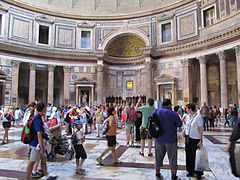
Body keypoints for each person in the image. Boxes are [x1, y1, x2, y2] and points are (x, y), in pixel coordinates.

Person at [25, 102, 57, 180]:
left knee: (43, 161)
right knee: (31, 162)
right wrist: (42, 147)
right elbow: (39, 134)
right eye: (45, 108)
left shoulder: (39, 117)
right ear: (43, 109)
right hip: (36, 145)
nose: (46, 109)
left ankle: (47, 176)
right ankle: (27, 178)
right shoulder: (37, 119)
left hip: (40, 144)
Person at [154, 99, 182, 180]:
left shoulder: (156, 112)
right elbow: (179, 124)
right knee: (172, 158)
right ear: (169, 105)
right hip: (171, 139)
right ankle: (173, 175)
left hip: (159, 138)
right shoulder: (173, 113)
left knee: (158, 157)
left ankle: (157, 173)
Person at [182, 103, 204, 179]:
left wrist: (201, 140)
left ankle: (198, 172)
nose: (186, 110)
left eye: (187, 108)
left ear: (190, 109)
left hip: (196, 138)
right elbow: (187, 125)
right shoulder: (187, 116)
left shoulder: (198, 117)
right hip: (188, 138)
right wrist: (184, 131)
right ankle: (190, 171)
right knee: (189, 155)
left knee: (197, 156)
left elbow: (200, 129)